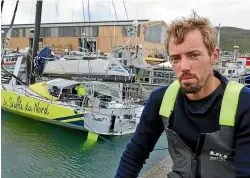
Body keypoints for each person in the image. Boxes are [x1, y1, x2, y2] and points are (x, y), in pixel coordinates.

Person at [115, 17, 250, 178]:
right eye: (176, 58)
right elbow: (135, 154)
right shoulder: (161, 99)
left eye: (193, 55)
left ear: (214, 56)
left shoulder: (244, 103)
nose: (184, 67)